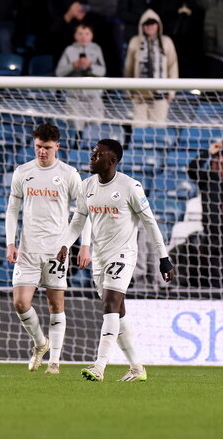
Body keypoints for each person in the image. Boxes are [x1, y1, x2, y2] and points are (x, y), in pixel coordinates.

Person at [57, 139, 174, 382]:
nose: (92, 157)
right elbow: (78, 220)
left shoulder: (131, 187)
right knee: (118, 313)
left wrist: (163, 258)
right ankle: (137, 368)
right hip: (99, 258)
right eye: (93, 153)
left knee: (110, 304)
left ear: (112, 160)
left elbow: (150, 223)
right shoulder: (86, 186)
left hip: (123, 255)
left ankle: (99, 366)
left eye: (98, 155)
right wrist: (66, 244)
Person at [5, 123, 91, 374]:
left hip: (57, 250)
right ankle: (40, 343)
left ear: (57, 147)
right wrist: (10, 242)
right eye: (38, 147)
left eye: (47, 148)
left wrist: (84, 246)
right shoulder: (23, 172)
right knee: (20, 303)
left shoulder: (69, 174)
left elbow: (84, 211)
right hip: (28, 249)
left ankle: (54, 361)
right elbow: (12, 209)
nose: (42, 152)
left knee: (56, 305)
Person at [122, 10, 178, 125]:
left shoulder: (166, 42)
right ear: (142, 26)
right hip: (139, 95)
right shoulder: (135, 42)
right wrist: (128, 91)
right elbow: (128, 68)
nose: (150, 26)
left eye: (153, 23)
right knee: (139, 128)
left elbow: (172, 67)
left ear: (158, 25)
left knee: (158, 128)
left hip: (160, 94)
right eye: (146, 24)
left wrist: (172, 91)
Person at [55, 22, 106, 131]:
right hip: (74, 98)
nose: (84, 37)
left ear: (91, 35)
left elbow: (102, 71)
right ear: (75, 35)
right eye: (80, 33)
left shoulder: (96, 49)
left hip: (93, 97)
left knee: (95, 129)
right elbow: (59, 72)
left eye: (87, 34)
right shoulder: (69, 50)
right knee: (74, 130)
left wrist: (90, 66)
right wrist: (73, 66)